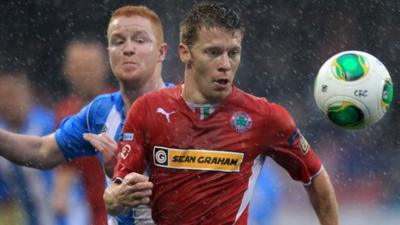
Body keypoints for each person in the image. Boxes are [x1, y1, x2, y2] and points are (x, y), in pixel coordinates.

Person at [107, 2, 339, 225]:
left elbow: (315, 175)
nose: (225, 64)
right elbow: (116, 191)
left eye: (233, 53)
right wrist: (116, 198)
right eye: (214, 52)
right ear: (185, 53)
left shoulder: (265, 118)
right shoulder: (147, 110)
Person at [0, 5, 172, 225]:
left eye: (140, 40)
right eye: (118, 41)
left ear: (162, 52)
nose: (128, 49)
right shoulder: (98, 112)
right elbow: (42, 151)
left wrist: (122, 188)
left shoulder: (187, 107)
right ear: (109, 52)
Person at [52, 38, 111, 225]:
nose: (84, 73)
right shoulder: (64, 113)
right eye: (78, 66)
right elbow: (66, 165)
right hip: (91, 216)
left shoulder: (121, 106)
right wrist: (60, 196)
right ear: (66, 70)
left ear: (105, 68)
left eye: (90, 66)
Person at [0, 71, 55, 225]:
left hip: (63, 214)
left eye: (12, 95)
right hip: (27, 217)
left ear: (28, 94)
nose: (7, 102)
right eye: (2, 96)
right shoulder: (2, 131)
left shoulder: (49, 123)